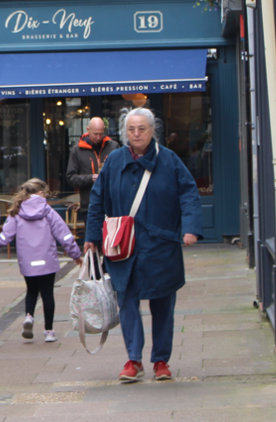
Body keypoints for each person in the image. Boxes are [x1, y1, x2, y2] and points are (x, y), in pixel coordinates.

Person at [84, 108, 202, 383]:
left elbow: (189, 194)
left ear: (152, 131)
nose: (136, 134)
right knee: (127, 302)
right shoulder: (113, 161)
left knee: (163, 303)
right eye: (131, 129)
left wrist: (191, 228)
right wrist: (91, 238)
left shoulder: (170, 160)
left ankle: (161, 360)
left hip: (161, 246)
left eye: (142, 129)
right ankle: (133, 359)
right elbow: (97, 199)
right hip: (123, 247)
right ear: (125, 132)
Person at [0, 178, 81, 343]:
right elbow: (64, 235)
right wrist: (75, 254)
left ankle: (29, 316)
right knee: (47, 294)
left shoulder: (17, 211)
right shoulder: (48, 211)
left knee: (31, 290)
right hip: (47, 259)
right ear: (41, 193)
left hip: (27, 260)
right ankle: (49, 331)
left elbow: (5, 236)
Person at [66, 117, 120, 245]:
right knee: (93, 246)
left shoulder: (113, 146)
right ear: (88, 130)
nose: (98, 137)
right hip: (89, 206)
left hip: (112, 206)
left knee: (113, 245)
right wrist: (91, 178)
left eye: (101, 133)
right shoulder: (77, 150)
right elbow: (71, 178)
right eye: (95, 134)